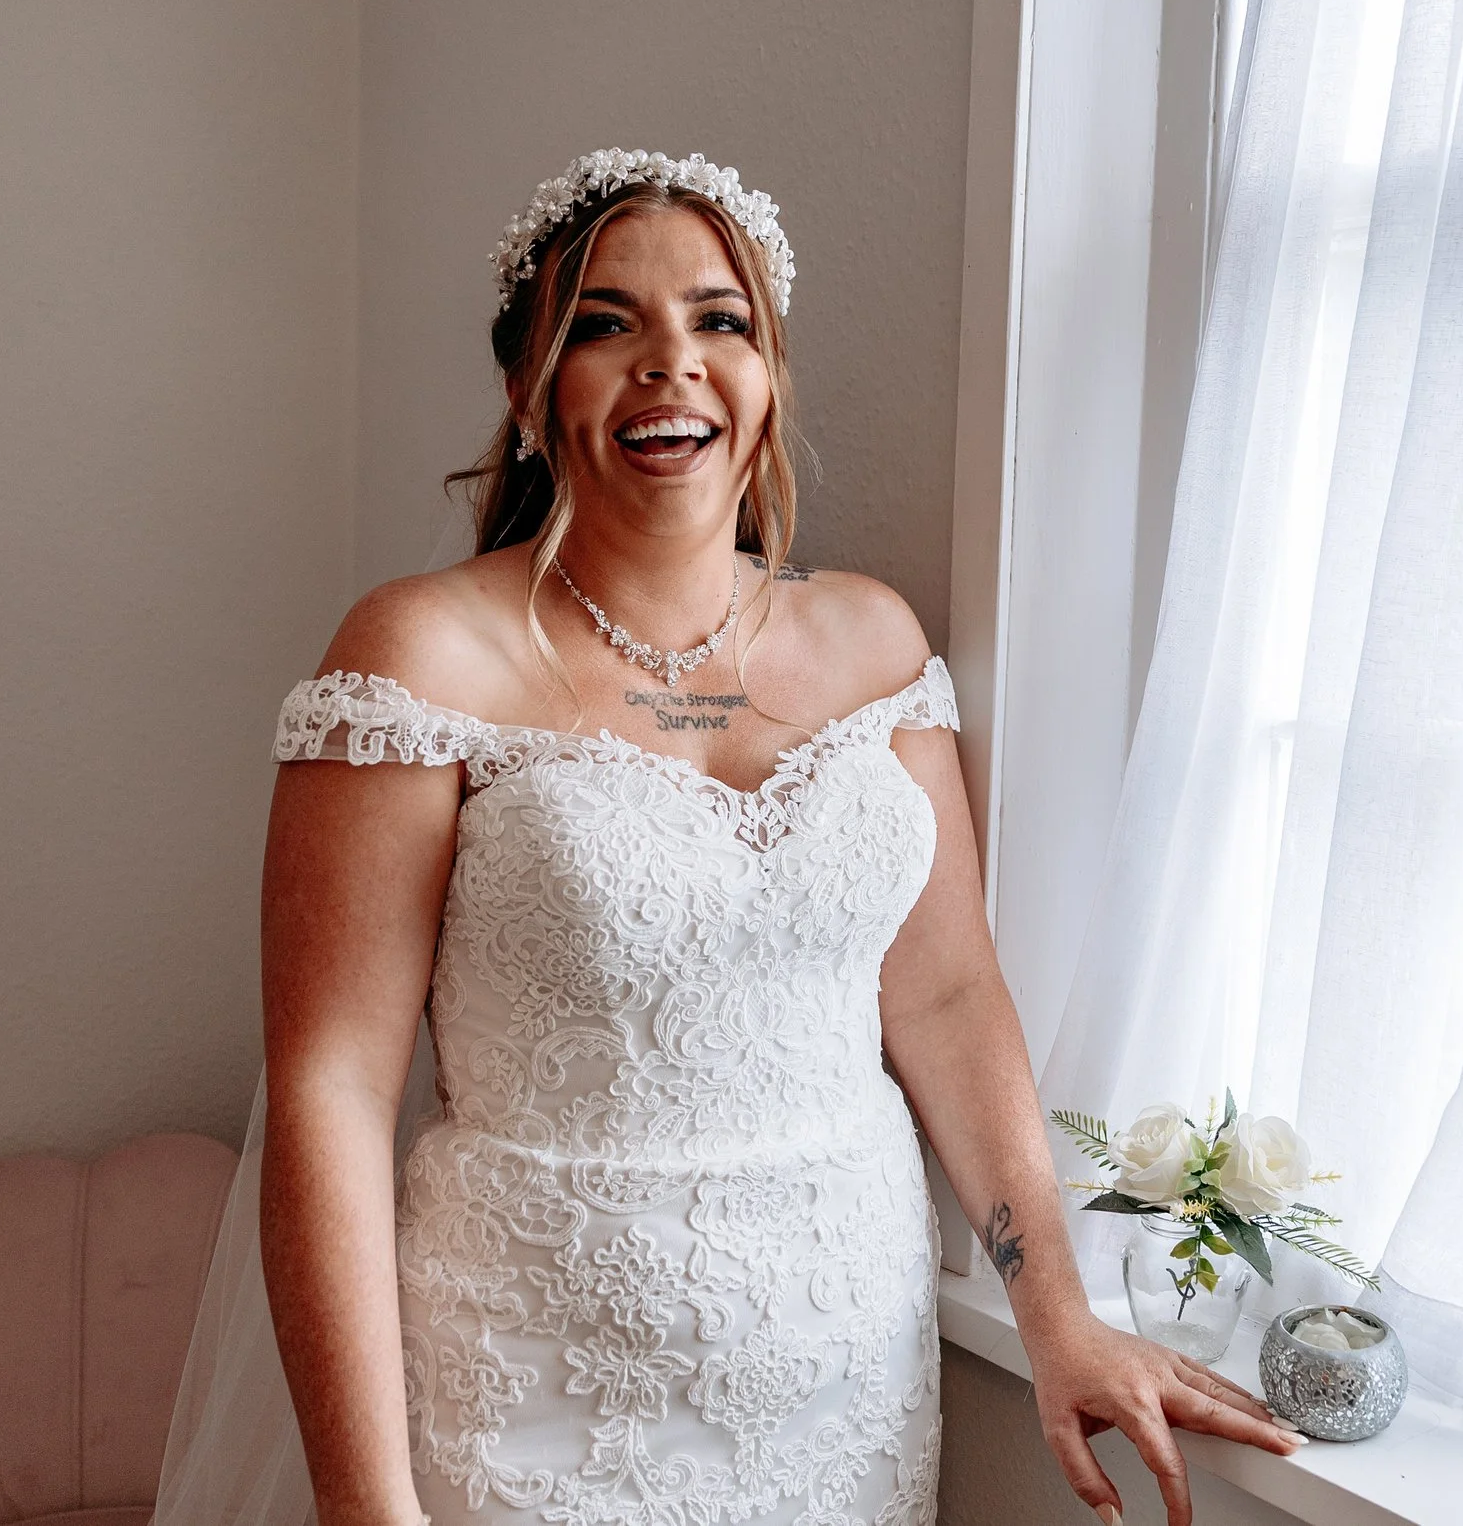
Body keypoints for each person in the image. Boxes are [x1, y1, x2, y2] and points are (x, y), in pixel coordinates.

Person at [160, 149, 1304, 1526]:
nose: (670, 364)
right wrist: (364, 1501)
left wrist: (1055, 1307)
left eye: (720, 320)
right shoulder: (417, 656)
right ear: (531, 390)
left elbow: (944, 994)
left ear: (767, 383)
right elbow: (333, 1090)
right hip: (530, 1397)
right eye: (606, 324)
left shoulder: (874, 643)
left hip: (845, 1402)